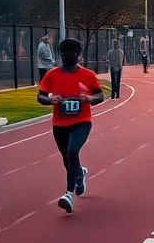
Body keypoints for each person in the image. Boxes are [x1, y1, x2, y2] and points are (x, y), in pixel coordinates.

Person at [38, 38, 105, 212]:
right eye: (65, 55)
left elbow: (100, 96)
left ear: (78, 55)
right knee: (67, 159)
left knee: (72, 151)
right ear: (61, 55)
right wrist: (50, 100)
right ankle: (80, 173)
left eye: (72, 54)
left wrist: (89, 99)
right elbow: (41, 96)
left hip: (81, 122)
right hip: (59, 123)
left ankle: (68, 194)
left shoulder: (88, 75)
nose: (68, 58)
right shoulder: (52, 74)